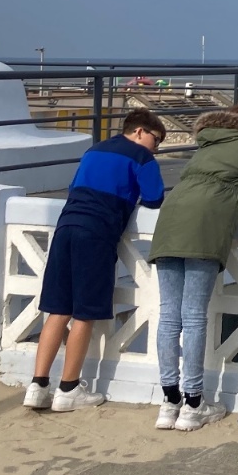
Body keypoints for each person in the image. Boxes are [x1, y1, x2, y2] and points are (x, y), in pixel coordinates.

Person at [25, 109, 167, 412]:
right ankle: (68, 388)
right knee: (84, 313)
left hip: (66, 226)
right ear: (140, 131)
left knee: (57, 310)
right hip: (97, 232)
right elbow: (154, 198)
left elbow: (74, 187)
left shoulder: (94, 150)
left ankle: (37, 386)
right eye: (156, 140)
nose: (156, 148)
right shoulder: (142, 157)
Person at [147, 101, 238, 431]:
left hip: (171, 217)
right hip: (207, 222)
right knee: (193, 315)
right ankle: (193, 404)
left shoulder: (208, 142)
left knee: (169, 314)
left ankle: (168, 402)